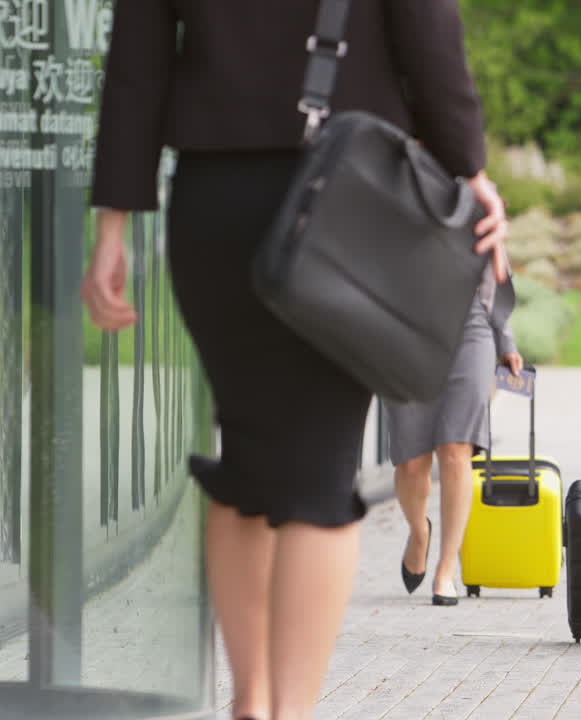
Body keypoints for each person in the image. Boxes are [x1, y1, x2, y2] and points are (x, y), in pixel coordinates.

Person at [80, 3, 508, 719]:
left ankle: (251, 702)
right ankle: (289, 710)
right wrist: (470, 169)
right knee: (320, 475)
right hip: (349, 192)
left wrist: (111, 228)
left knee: (246, 457)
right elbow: (430, 35)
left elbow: (136, 64)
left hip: (213, 202)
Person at [385, 270, 522, 606]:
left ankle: (445, 570)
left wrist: (505, 339)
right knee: (411, 462)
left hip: (470, 323)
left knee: (456, 449)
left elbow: (494, 265)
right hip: (402, 322)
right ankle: (419, 531)